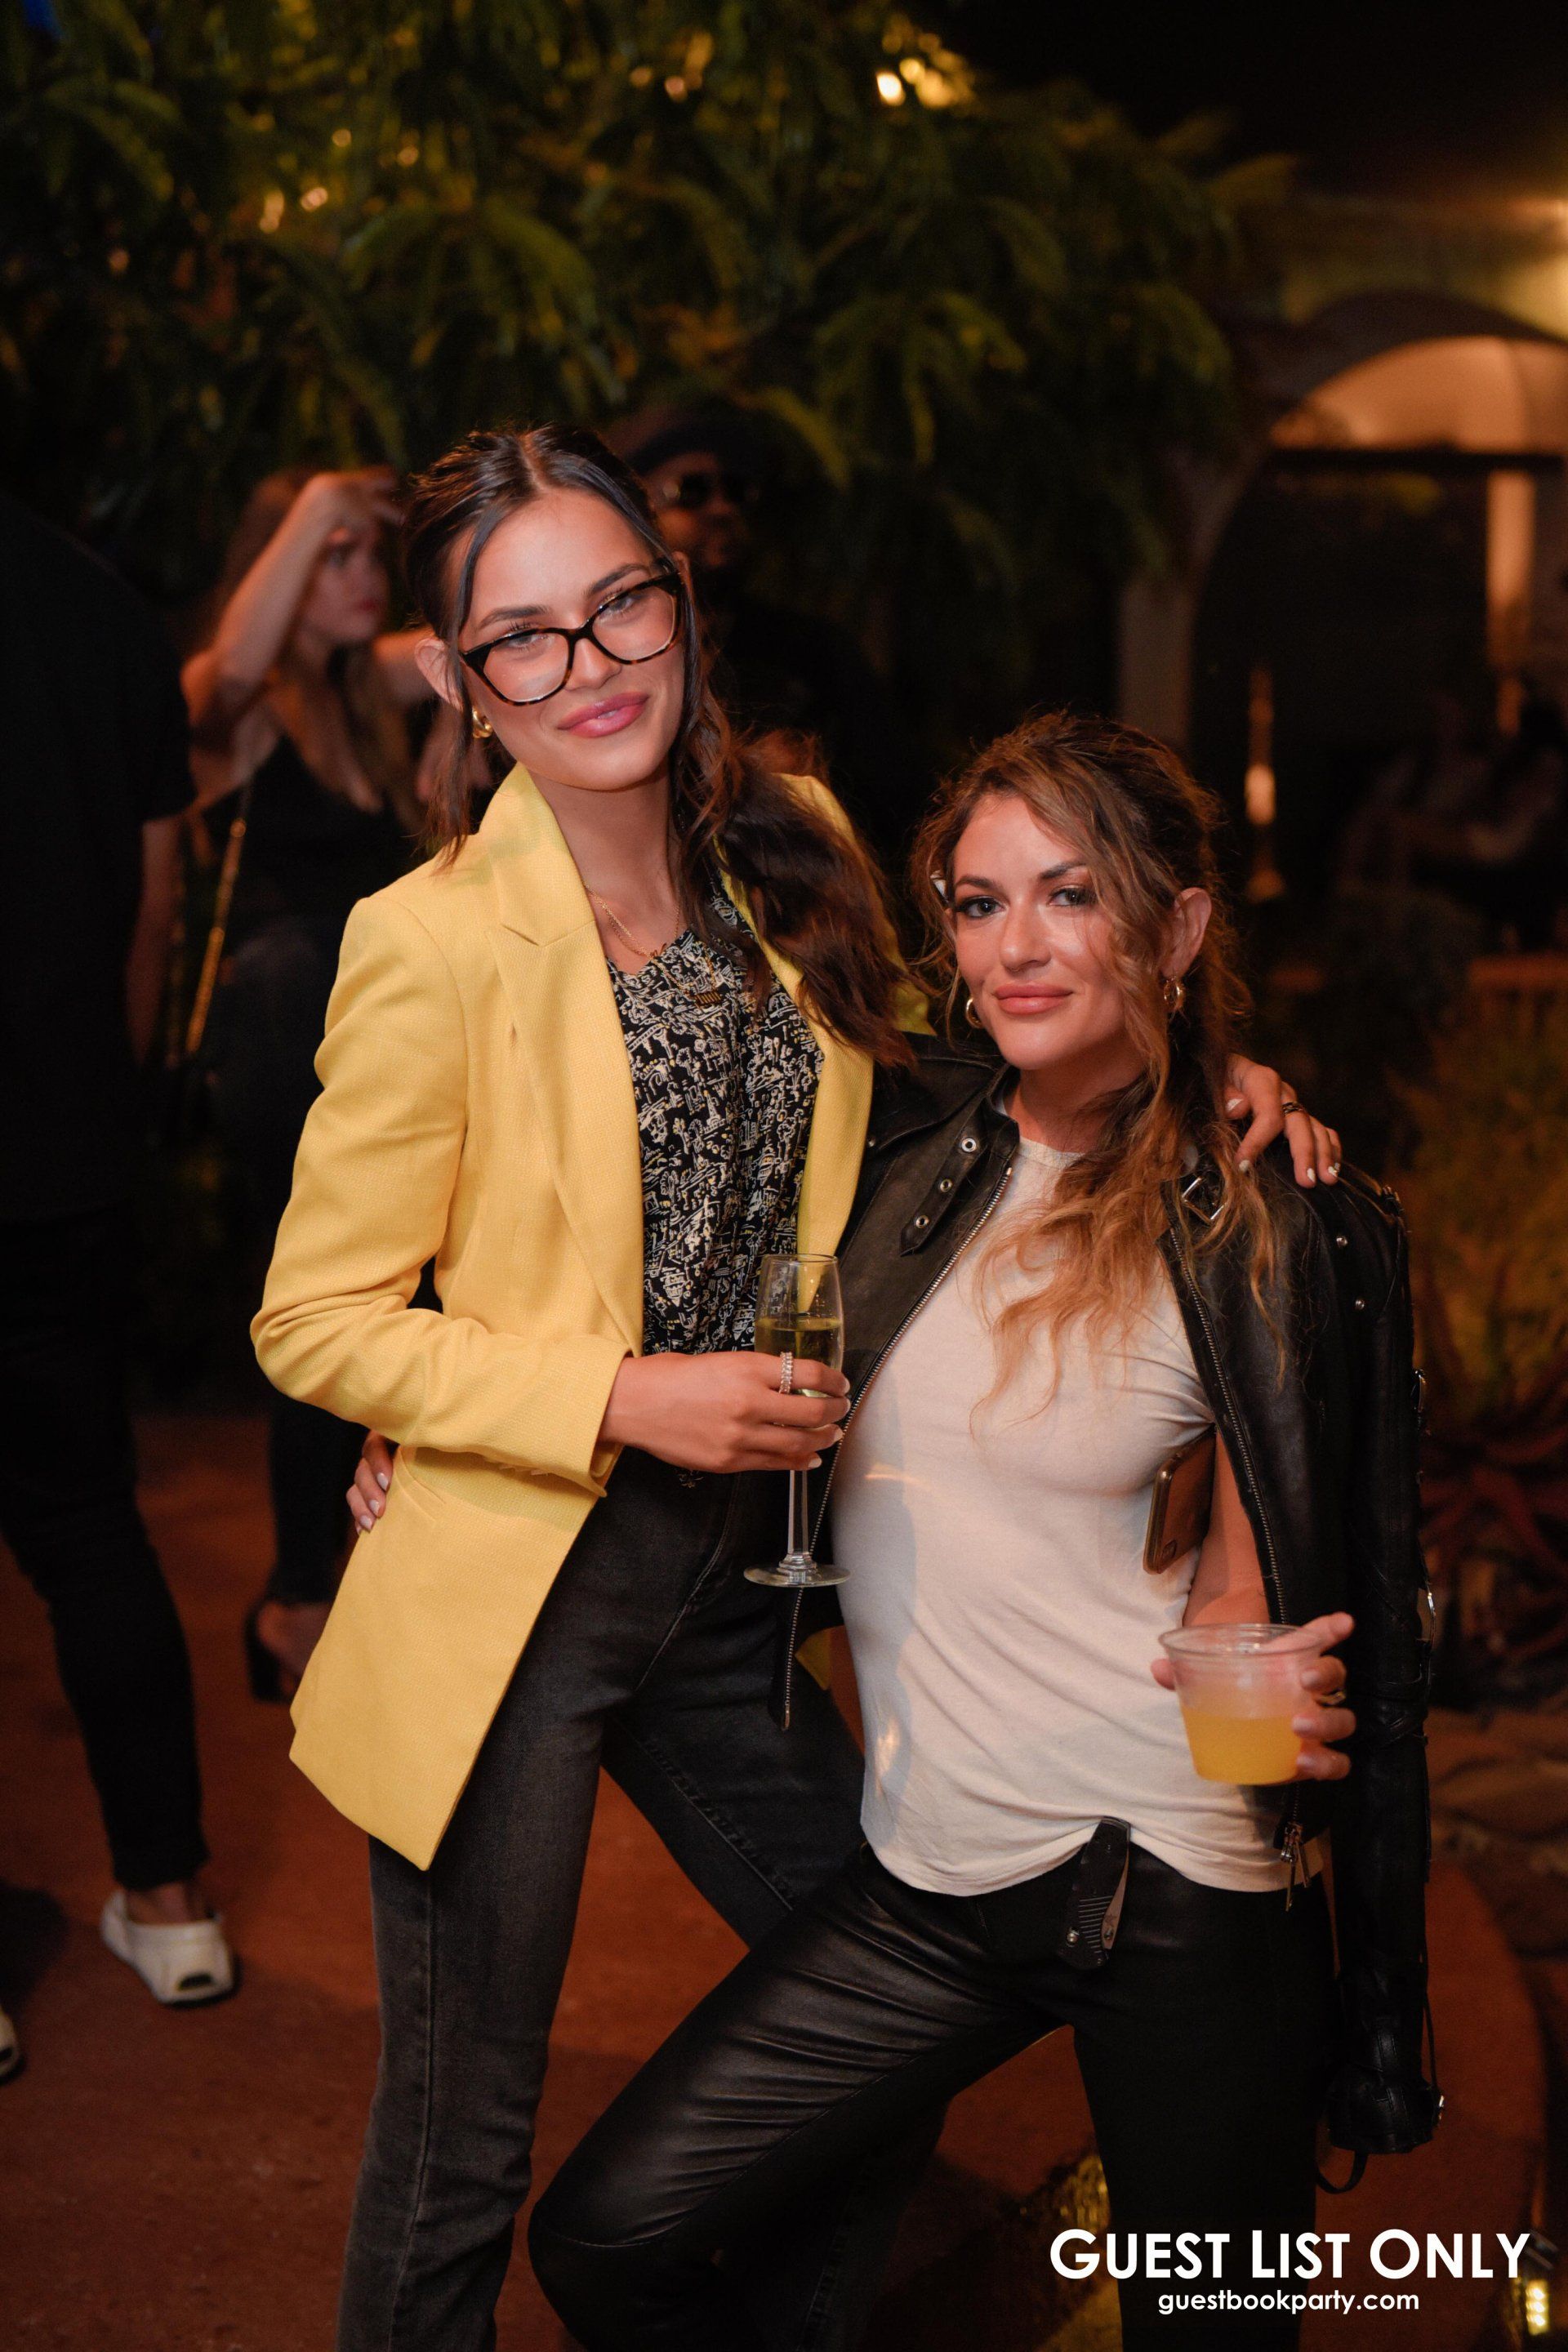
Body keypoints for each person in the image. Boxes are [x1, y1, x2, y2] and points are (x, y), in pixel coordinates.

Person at [252, 425, 1325, 2348]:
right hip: (522, 1585)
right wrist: (612, 1395)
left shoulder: (794, 839)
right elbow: (313, 1319)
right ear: (468, 686)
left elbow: (944, 1077)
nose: (589, 666)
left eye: (619, 605)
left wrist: (1189, 1065)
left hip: (743, 1586)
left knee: (884, 2028)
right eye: (522, 638)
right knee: (459, 2147)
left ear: (678, 602)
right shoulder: (427, 942)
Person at [524, 713, 1438, 2352]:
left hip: (1170, 1885)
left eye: (1071, 895)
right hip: (928, 1882)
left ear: (1178, 926)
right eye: (978, 900)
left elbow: (1265, 1593)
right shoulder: (901, 1145)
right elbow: (616, 1228)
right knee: (606, 2237)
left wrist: (1278, 1705)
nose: (1016, 946)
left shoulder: (1255, 1216)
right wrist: (425, 1418)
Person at [0, 492, 234, 2063]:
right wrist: (107, 1096)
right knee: (89, 1522)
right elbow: (155, 904)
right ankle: (173, 1905)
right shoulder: (100, 612)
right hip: (62, 1156)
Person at [182, 467, 431, 1700]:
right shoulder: (241, 710)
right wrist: (320, 499)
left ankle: (328, 1584)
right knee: (332, 1313)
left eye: (370, 553)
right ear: (276, 560)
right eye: (336, 555)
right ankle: (295, 1598)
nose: (365, 576)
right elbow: (227, 666)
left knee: (394, 1308)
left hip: (376, 1043)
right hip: (284, 1038)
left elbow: (471, 649)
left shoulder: (365, 698)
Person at [605, 405, 928, 866]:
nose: (723, 509)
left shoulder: (813, 651)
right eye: (691, 491)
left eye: (736, 491)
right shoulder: (603, 658)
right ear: (632, 519)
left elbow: (900, 803)